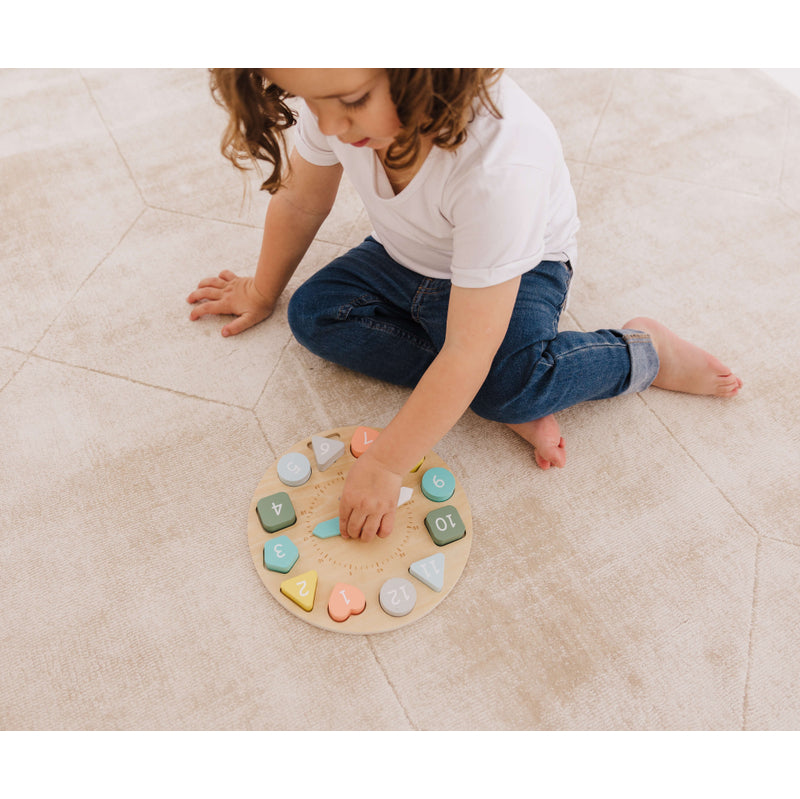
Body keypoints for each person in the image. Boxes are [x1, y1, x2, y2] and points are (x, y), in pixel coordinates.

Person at [187, 68, 742, 542]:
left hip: (520, 270)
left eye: (352, 102)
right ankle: (471, 394)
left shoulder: (500, 162)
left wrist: (385, 463)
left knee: (510, 384)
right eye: (306, 99)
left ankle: (643, 355)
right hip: (407, 255)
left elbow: (469, 349)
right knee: (313, 313)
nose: (328, 123)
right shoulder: (333, 87)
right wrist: (262, 290)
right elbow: (304, 198)